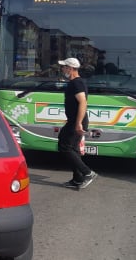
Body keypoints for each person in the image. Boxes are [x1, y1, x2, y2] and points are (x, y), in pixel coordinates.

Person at [57, 57, 98, 190]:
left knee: (65, 147)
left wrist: (78, 123)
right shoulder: (73, 83)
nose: (62, 69)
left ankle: (87, 173)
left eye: (64, 67)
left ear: (70, 68)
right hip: (73, 120)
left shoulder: (77, 83)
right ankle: (77, 179)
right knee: (73, 148)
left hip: (77, 122)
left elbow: (83, 102)